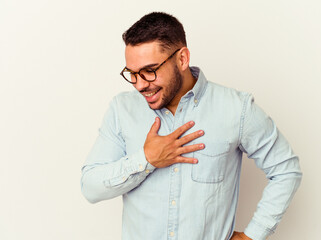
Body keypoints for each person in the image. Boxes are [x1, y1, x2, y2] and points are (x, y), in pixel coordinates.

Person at [80, 12, 302, 240]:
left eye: (149, 71)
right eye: (132, 74)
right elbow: (90, 186)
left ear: (182, 59)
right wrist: (146, 159)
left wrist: (253, 235)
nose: (139, 84)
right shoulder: (122, 109)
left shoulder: (236, 108)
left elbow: (286, 169)